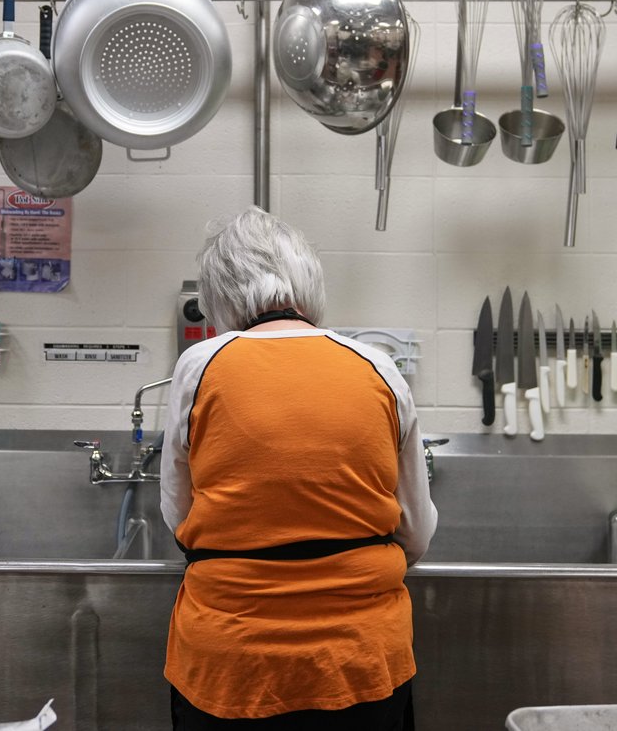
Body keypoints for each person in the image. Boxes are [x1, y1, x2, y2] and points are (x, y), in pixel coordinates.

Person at [161, 206, 439, 729]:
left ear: (219, 295)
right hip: (360, 659)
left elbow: (180, 518)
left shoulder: (199, 366)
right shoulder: (377, 367)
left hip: (233, 659)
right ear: (309, 283)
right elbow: (416, 531)